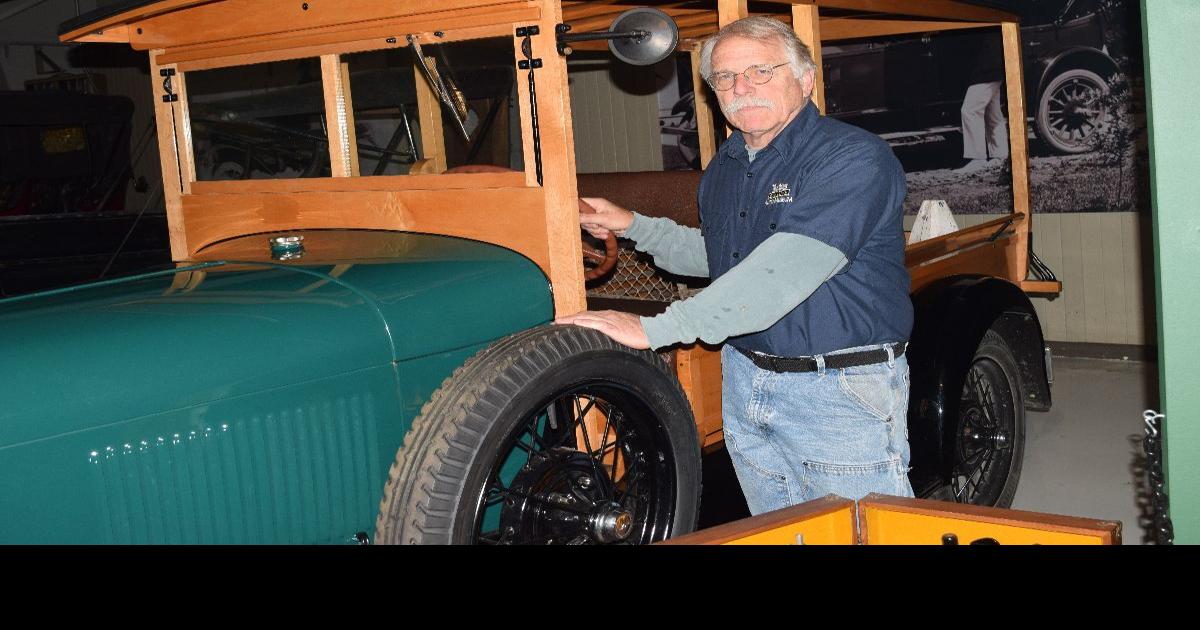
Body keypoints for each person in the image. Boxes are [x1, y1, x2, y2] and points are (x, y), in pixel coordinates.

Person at [556, 16, 914, 515]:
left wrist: (658, 327)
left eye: (760, 71)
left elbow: (783, 272)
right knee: (775, 526)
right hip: (746, 377)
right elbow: (725, 257)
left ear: (805, 79)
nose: (740, 87)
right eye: (724, 78)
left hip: (836, 390)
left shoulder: (852, 158)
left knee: (865, 529)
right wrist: (632, 224)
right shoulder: (727, 165)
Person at [957, 31, 1009, 172]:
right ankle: (1000, 156)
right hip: (995, 61)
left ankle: (978, 159)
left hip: (987, 65)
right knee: (993, 113)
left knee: (970, 110)